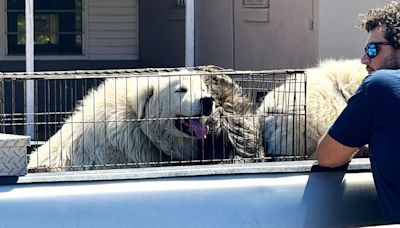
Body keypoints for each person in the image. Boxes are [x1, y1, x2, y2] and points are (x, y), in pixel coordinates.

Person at [316, 1, 400, 224]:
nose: (364, 59)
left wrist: (360, 143)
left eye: (373, 49)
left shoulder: (380, 86)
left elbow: (327, 157)